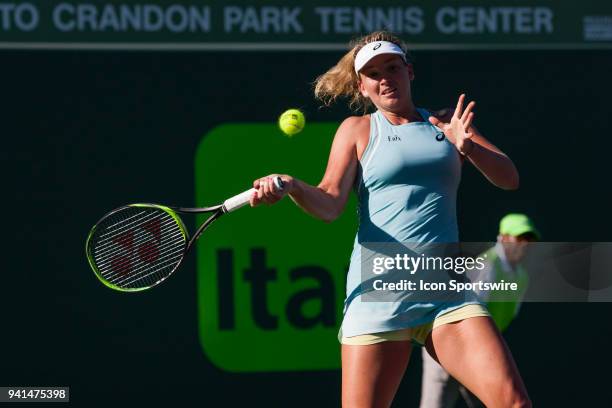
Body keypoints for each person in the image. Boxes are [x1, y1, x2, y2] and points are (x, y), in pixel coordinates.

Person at [250, 31, 531, 407]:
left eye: (393, 68)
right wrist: (293, 186)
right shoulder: (357, 130)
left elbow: (508, 178)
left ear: (409, 72)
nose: (385, 78)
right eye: (374, 74)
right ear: (362, 87)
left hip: (445, 293)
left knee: (513, 402)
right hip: (378, 294)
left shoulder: (449, 123)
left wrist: (468, 148)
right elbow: (331, 203)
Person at [420, 213, 540, 408]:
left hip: (479, 352)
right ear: (503, 238)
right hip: (447, 346)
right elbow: (466, 317)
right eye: (520, 237)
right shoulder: (487, 265)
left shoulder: (522, 278)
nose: (525, 244)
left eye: (529, 239)